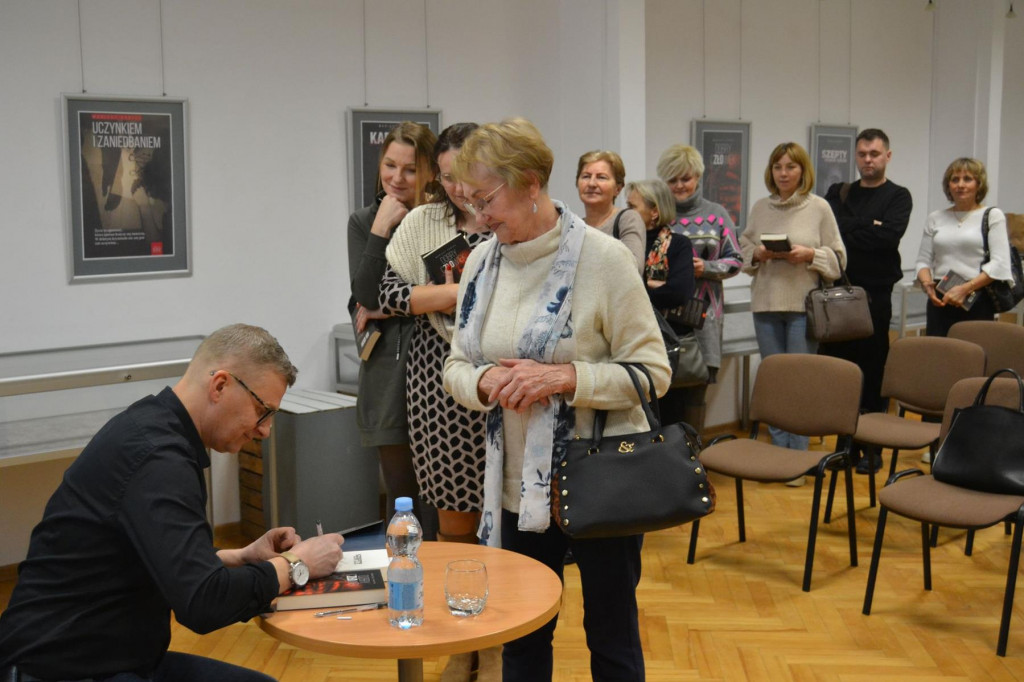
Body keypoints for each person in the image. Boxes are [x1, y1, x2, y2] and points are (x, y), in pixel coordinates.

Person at [443, 118, 670, 682]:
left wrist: (566, 378)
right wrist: (484, 383)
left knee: (611, 635)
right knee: (522, 635)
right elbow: (456, 366)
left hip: (601, 480)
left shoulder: (605, 259)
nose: (479, 216)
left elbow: (652, 373)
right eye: (470, 201)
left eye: (487, 199)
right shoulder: (480, 263)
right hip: (517, 487)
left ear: (531, 184)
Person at [0, 324, 344, 681]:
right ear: (220, 385)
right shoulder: (157, 458)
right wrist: (295, 565)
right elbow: (202, 603)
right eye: (263, 411)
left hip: (111, 659)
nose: (264, 430)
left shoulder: (155, 429)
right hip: (60, 670)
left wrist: (241, 557)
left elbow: (165, 560)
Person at [380, 123, 498, 682]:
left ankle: (496, 643)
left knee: (502, 522)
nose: (454, 188)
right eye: (445, 177)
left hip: (502, 378)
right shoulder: (423, 222)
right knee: (453, 520)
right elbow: (386, 294)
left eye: (463, 176)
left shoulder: (507, 218)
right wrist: (456, 292)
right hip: (436, 379)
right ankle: (461, 642)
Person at [347, 121, 438, 534]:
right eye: (389, 166)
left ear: (430, 173)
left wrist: (402, 299)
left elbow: (452, 290)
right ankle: (402, 589)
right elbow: (367, 296)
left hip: (438, 371)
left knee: (441, 501)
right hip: (387, 373)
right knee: (403, 502)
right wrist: (382, 226)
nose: (396, 179)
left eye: (410, 169)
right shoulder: (364, 220)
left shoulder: (443, 220)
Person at [739, 142, 845, 465]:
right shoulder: (760, 207)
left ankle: (797, 456)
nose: (783, 173)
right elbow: (742, 248)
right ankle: (776, 453)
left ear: (803, 171)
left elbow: (839, 259)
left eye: (790, 167)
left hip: (804, 308)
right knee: (775, 382)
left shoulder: (819, 208)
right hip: (766, 305)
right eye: (777, 167)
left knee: (799, 382)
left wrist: (810, 255)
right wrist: (758, 252)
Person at [820, 129, 913, 473]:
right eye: (862, 154)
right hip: (838, 293)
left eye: (874, 153)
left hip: (875, 295)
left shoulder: (898, 196)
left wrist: (852, 228)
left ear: (887, 156)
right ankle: (846, 448)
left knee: (873, 371)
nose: (868, 160)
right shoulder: (838, 192)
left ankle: (872, 449)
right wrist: (866, 225)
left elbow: (887, 238)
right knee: (843, 374)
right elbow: (831, 233)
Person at [656, 144, 743, 433]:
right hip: (663, 319)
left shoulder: (717, 215)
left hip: (703, 319)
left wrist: (704, 268)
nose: (680, 186)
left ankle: (694, 463)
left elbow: (736, 260)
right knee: (661, 393)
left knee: (694, 394)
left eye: (686, 178)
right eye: (673, 180)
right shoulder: (658, 217)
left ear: (698, 178)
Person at [625, 178, 700, 427]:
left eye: (632, 207)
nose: (626, 213)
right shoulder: (622, 243)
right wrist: (652, 287)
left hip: (667, 345)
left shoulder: (678, 245)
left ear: (654, 211)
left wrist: (635, 290)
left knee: (668, 421)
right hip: (631, 343)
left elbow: (678, 292)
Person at [915, 157, 1013, 337]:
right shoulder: (935, 218)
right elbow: (923, 261)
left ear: (979, 184)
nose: (960, 185)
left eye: (967, 179)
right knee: (939, 355)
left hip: (976, 297)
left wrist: (964, 289)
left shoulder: (992, 215)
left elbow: (999, 264)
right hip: (940, 298)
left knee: (973, 356)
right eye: (955, 179)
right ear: (948, 185)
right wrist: (926, 283)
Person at [575, 150, 646, 273]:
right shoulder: (575, 227)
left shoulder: (628, 219)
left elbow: (633, 268)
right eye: (586, 176)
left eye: (601, 177)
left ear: (617, 189)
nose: (591, 183)